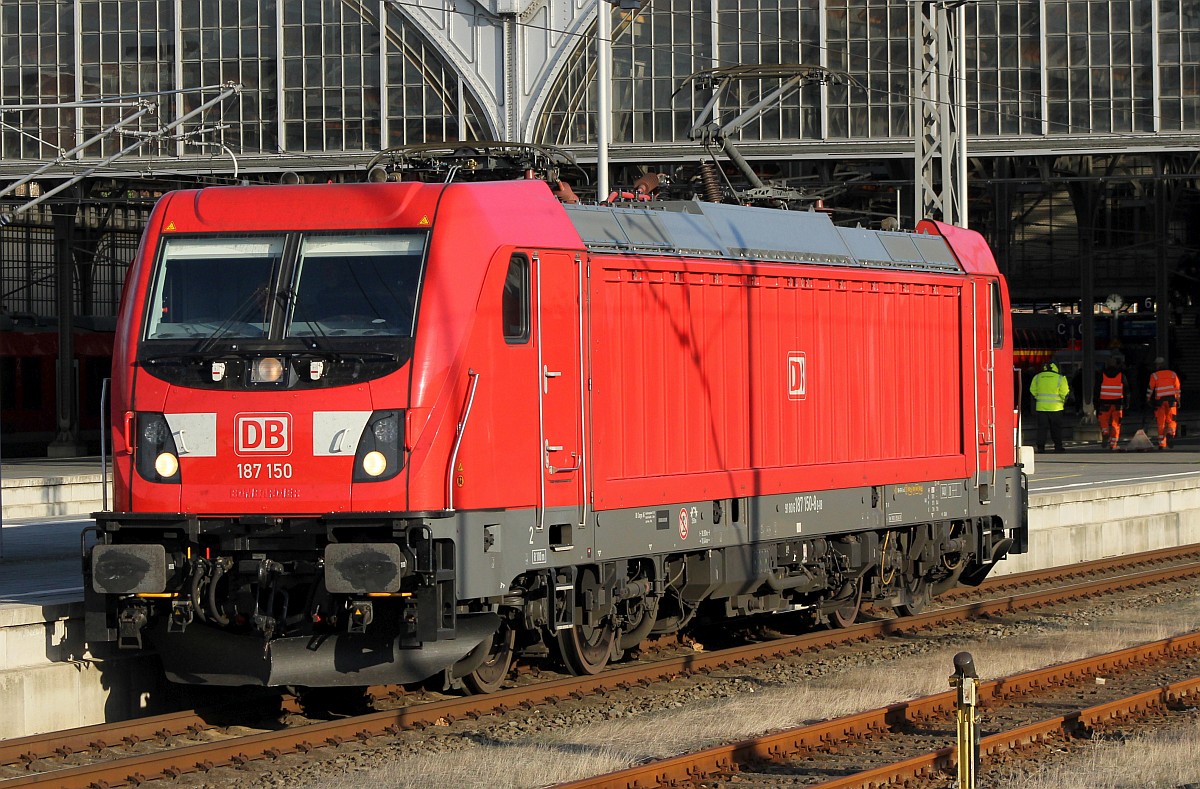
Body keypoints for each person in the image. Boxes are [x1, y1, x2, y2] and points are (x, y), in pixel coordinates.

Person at [1030, 361, 1070, 453]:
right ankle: (1058, 446)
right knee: (1056, 428)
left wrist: (1038, 397)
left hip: (1041, 407)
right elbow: (1065, 392)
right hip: (1056, 408)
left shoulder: (1037, 377)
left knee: (1042, 428)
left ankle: (1040, 447)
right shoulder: (1060, 378)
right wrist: (1063, 401)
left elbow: (1032, 390)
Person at [1146, 357, 1182, 449]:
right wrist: (1178, 400)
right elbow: (1177, 388)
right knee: (1172, 420)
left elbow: (1150, 389)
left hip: (1159, 402)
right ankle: (1170, 434)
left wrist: (1148, 399)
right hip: (1171, 401)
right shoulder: (1173, 374)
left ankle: (1162, 444)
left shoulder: (1154, 375)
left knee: (1161, 422)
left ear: (1158, 365)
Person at [1096, 354, 1129, 450]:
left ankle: (1105, 433)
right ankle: (1113, 444)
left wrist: (1096, 403)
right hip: (1118, 403)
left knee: (1104, 421)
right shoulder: (1121, 376)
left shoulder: (1101, 375)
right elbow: (1126, 390)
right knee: (1116, 423)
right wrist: (1127, 403)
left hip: (1104, 403)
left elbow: (1096, 390)